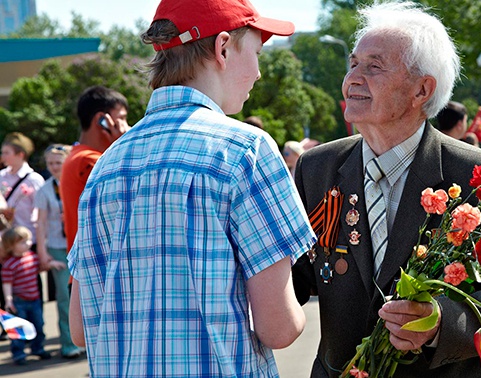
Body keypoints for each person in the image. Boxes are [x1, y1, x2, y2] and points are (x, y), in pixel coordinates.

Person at [291, 2, 481, 376]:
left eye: (374, 66)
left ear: (422, 89)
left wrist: (441, 321)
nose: (352, 79)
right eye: (353, 64)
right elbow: (294, 277)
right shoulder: (317, 168)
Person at [67, 0, 316, 376]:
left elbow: (81, 329)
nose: (259, 72)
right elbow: (278, 328)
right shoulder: (246, 150)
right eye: (258, 53)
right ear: (223, 48)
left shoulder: (107, 165)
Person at [60, 86, 130, 254]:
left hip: (85, 271)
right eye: (122, 119)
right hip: (94, 271)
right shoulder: (89, 161)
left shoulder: (78, 156)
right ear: (102, 120)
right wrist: (124, 145)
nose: (128, 127)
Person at [34, 144, 83, 359]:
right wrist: (42, 252)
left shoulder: (78, 183)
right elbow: (41, 223)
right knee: (64, 296)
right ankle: (68, 342)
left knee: (84, 295)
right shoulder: (45, 189)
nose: (54, 167)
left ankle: (87, 339)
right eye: (50, 163)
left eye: (58, 162)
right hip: (58, 246)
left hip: (77, 243)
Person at [1, 226, 65, 365]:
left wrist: (53, 264)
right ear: (11, 246)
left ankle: (38, 348)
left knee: (39, 325)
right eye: (23, 242)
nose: (28, 243)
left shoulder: (31, 257)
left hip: (35, 299)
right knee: (18, 330)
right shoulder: (9, 264)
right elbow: (7, 283)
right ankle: (18, 353)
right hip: (19, 301)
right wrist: (8, 299)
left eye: (28, 240)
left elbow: (42, 267)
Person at [0, 132, 45, 328]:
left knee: (31, 285)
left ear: (20, 154)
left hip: (28, 240)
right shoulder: (1, 177)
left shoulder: (34, 179)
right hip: (5, 241)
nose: (3, 157)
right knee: (7, 284)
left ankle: (36, 325)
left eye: (6, 152)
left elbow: (42, 211)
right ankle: (10, 327)